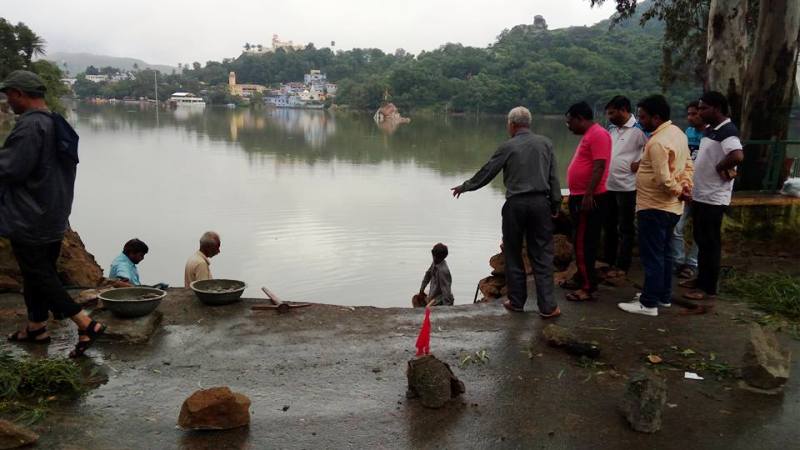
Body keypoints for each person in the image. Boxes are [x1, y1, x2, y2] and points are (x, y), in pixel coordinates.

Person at [0, 70, 105, 358]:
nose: (7, 101)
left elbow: (10, 168)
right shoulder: (57, 123)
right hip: (54, 213)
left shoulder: (30, 127)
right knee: (36, 274)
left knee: (40, 275)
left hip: (28, 216)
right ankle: (36, 327)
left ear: (20, 94)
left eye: (9, 95)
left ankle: (85, 323)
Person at [451, 106, 561, 318]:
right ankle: (548, 307)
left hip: (516, 205)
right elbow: (554, 178)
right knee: (542, 255)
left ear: (511, 125)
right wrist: (555, 205)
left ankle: (517, 302)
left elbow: (487, 172)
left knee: (513, 253)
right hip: (540, 204)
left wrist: (465, 187)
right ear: (528, 123)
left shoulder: (507, 146)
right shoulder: (546, 143)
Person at [618, 95, 693, 316]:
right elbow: (688, 164)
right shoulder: (677, 134)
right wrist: (686, 187)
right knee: (666, 253)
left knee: (652, 256)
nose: (639, 120)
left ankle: (648, 303)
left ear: (656, 117)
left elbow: (663, 179)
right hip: (671, 208)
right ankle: (663, 296)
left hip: (654, 207)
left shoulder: (659, 142)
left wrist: (680, 191)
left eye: (642, 116)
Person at [683, 91, 744, 300]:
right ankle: (701, 279)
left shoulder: (727, 130)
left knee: (710, 242)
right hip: (701, 193)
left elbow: (737, 155)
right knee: (700, 238)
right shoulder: (711, 129)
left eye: (703, 108)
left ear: (716, 108)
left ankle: (708, 288)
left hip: (714, 197)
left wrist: (720, 166)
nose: (699, 112)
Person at [563, 101, 611, 301]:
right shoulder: (589, 135)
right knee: (580, 241)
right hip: (580, 195)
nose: (569, 126)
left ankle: (588, 287)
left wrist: (589, 194)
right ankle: (582, 278)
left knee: (584, 243)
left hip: (588, 198)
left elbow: (600, 166)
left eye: (570, 122)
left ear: (580, 118)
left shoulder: (598, 134)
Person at [602, 96, 648, 279]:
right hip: (608, 185)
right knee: (609, 226)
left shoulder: (639, 130)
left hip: (628, 187)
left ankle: (623, 265)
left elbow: (654, 148)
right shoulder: (611, 129)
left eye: (612, 113)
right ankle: (608, 261)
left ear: (623, 110)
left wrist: (641, 163)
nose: (609, 117)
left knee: (626, 228)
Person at [672, 101, 705, 279]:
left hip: (704, 191)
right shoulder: (688, 133)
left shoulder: (712, 135)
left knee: (699, 231)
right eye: (689, 114)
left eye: (694, 114)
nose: (690, 118)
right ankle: (678, 261)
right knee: (676, 227)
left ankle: (692, 263)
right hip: (686, 188)